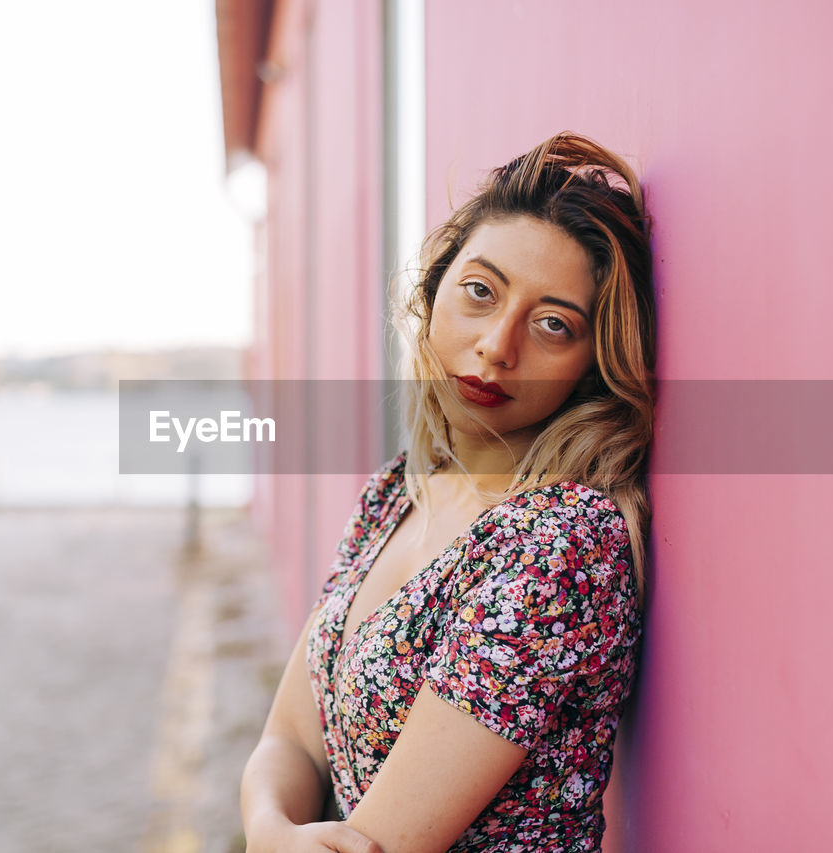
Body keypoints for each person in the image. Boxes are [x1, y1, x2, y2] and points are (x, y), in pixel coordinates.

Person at [240, 131, 655, 853]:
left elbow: (379, 843)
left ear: (590, 365)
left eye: (552, 323)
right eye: (480, 293)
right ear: (432, 296)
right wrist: (269, 829)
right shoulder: (396, 493)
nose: (498, 345)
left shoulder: (560, 545)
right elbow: (290, 740)